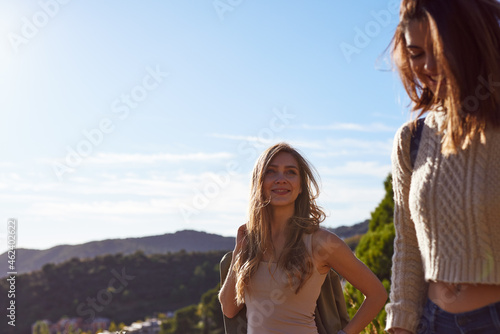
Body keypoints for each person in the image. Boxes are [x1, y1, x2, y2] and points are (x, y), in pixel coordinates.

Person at [385, 0, 500, 333]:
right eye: (417, 53)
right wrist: (400, 325)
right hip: (432, 322)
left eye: (440, 48)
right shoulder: (411, 139)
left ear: (471, 41)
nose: (429, 66)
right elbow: (407, 245)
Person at [218, 142, 387, 334]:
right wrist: (240, 250)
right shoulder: (250, 243)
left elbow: (377, 294)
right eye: (271, 172)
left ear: (300, 187)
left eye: (290, 172)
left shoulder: (321, 242)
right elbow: (229, 309)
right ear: (259, 183)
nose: (281, 179)